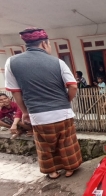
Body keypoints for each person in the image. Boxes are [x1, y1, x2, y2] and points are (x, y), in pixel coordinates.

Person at [5, 27, 82, 179]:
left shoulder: (11, 62)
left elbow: (15, 91)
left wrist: (25, 112)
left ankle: (52, 172)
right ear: (45, 44)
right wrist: (65, 101)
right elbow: (73, 86)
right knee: (67, 142)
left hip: (38, 113)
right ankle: (69, 169)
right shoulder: (57, 62)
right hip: (62, 112)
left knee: (45, 145)